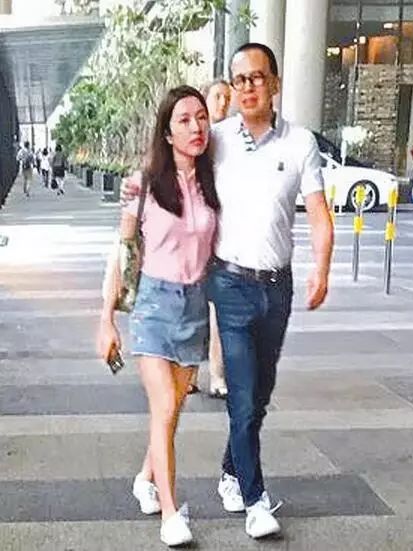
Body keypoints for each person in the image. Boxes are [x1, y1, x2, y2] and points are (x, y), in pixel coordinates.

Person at [122, 43, 334, 540]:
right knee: (236, 395)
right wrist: (138, 185)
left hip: (277, 287)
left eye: (258, 78)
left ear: (275, 83)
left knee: (257, 396)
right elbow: (169, 151)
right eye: (240, 80)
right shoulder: (216, 137)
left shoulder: (300, 142)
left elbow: (319, 213)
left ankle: (229, 471)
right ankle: (254, 500)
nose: (248, 87)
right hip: (228, 284)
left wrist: (321, 269)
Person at [98, 85, 219, 547]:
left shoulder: (212, 181)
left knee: (173, 412)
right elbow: (123, 251)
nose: (196, 126)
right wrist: (106, 318)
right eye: (184, 120)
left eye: (201, 117)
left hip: (195, 305)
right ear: (167, 133)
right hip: (153, 305)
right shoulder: (143, 183)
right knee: (165, 406)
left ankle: (145, 478)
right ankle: (170, 513)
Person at [187, 78, 231, 398]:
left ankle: (217, 375)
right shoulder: (196, 138)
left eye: (227, 97)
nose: (223, 103)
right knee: (192, 308)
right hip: (194, 232)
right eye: (217, 96)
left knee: (217, 310)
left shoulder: (233, 139)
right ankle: (189, 373)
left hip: (223, 232)